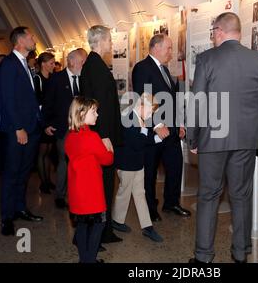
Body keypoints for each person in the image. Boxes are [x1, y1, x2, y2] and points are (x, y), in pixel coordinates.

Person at [187, 12, 258, 263]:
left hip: (213, 140)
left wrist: (192, 138)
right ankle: (240, 253)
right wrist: (250, 132)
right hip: (246, 140)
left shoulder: (206, 59)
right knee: (241, 195)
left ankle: (203, 257)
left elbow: (197, 103)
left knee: (209, 195)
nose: (213, 37)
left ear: (219, 31)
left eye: (213, 33)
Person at [132, 34, 191, 222]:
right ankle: (150, 208)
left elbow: (173, 100)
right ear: (156, 47)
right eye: (169, 48)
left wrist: (180, 124)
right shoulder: (142, 68)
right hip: (154, 132)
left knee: (175, 167)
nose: (171, 52)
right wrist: (156, 125)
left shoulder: (164, 70)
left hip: (172, 131)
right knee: (150, 172)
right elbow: (143, 97)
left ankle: (171, 202)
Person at [0, 26, 43, 236]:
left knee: (24, 172)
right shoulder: (9, 64)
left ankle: (20, 207)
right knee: (12, 172)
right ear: (20, 40)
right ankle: (7, 217)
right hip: (19, 129)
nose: (34, 38)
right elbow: (8, 99)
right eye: (31, 36)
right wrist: (18, 127)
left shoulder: (26, 64)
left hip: (31, 128)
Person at [80, 25, 123, 244]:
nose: (111, 43)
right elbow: (98, 105)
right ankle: (100, 232)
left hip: (102, 134)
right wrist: (105, 136)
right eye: (109, 40)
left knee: (105, 184)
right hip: (102, 136)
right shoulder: (95, 65)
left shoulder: (94, 64)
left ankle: (102, 230)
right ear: (101, 40)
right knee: (104, 185)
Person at [65, 97, 114, 263]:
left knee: (82, 225)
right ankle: (89, 260)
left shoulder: (70, 136)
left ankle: (84, 259)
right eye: (94, 111)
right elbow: (107, 160)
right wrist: (109, 148)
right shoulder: (92, 137)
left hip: (77, 191)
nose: (97, 115)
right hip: (92, 191)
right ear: (82, 113)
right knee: (98, 225)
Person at [112, 93, 164, 243]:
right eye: (150, 111)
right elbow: (137, 142)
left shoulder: (139, 118)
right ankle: (117, 220)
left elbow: (144, 140)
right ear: (142, 105)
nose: (151, 114)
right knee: (124, 192)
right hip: (126, 164)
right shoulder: (128, 117)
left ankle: (147, 227)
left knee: (140, 194)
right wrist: (147, 132)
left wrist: (156, 138)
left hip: (137, 162)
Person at [43, 48, 87, 209]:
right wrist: (46, 124)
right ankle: (60, 196)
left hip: (82, 128)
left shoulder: (85, 79)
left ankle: (78, 192)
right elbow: (48, 104)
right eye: (82, 61)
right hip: (63, 128)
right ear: (72, 61)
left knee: (80, 162)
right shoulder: (56, 79)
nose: (84, 64)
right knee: (64, 161)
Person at [34, 52, 56, 194]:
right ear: (43, 64)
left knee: (48, 151)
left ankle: (48, 180)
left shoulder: (53, 78)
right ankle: (43, 182)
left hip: (51, 117)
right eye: (51, 63)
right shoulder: (37, 78)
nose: (53, 65)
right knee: (42, 151)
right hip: (42, 119)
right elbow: (36, 101)